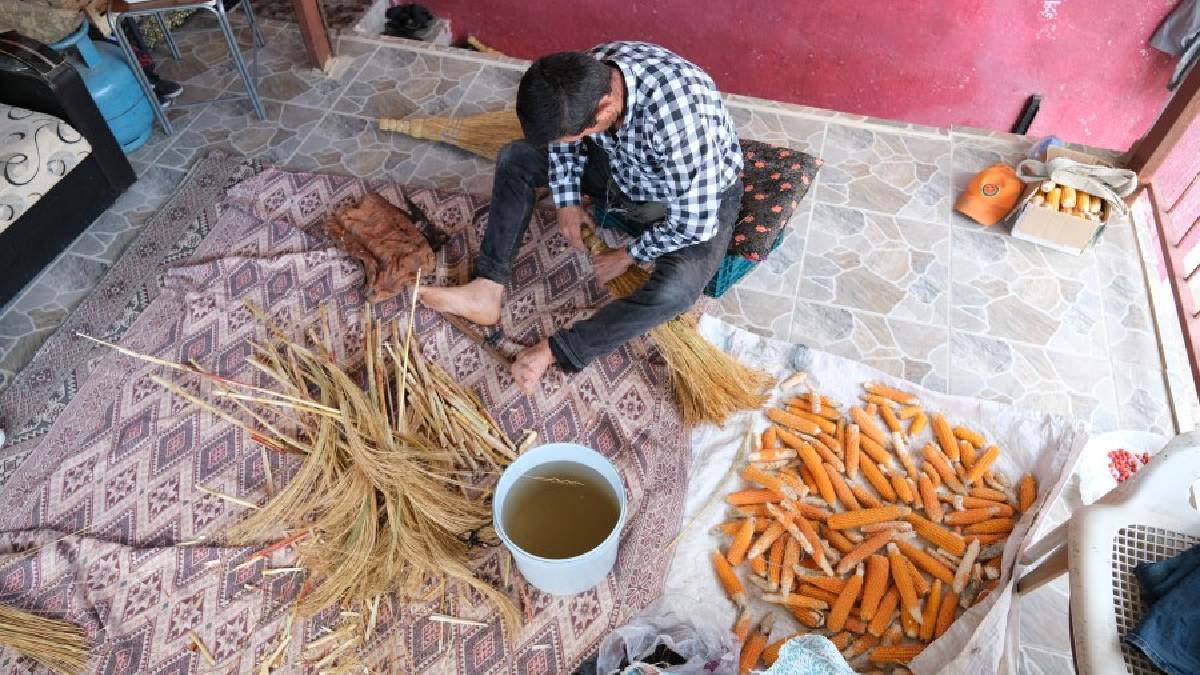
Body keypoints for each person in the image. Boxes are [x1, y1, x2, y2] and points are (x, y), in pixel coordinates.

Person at [420, 41, 744, 394]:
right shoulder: (587, 69)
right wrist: (567, 202)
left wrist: (628, 256)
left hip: (690, 199)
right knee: (516, 157)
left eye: (581, 132)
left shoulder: (681, 121)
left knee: (675, 292)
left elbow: (693, 222)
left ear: (605, 107)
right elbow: (565, 144)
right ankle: (486, 288)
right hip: (624, 171)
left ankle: (559, 350)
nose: (572, 140)